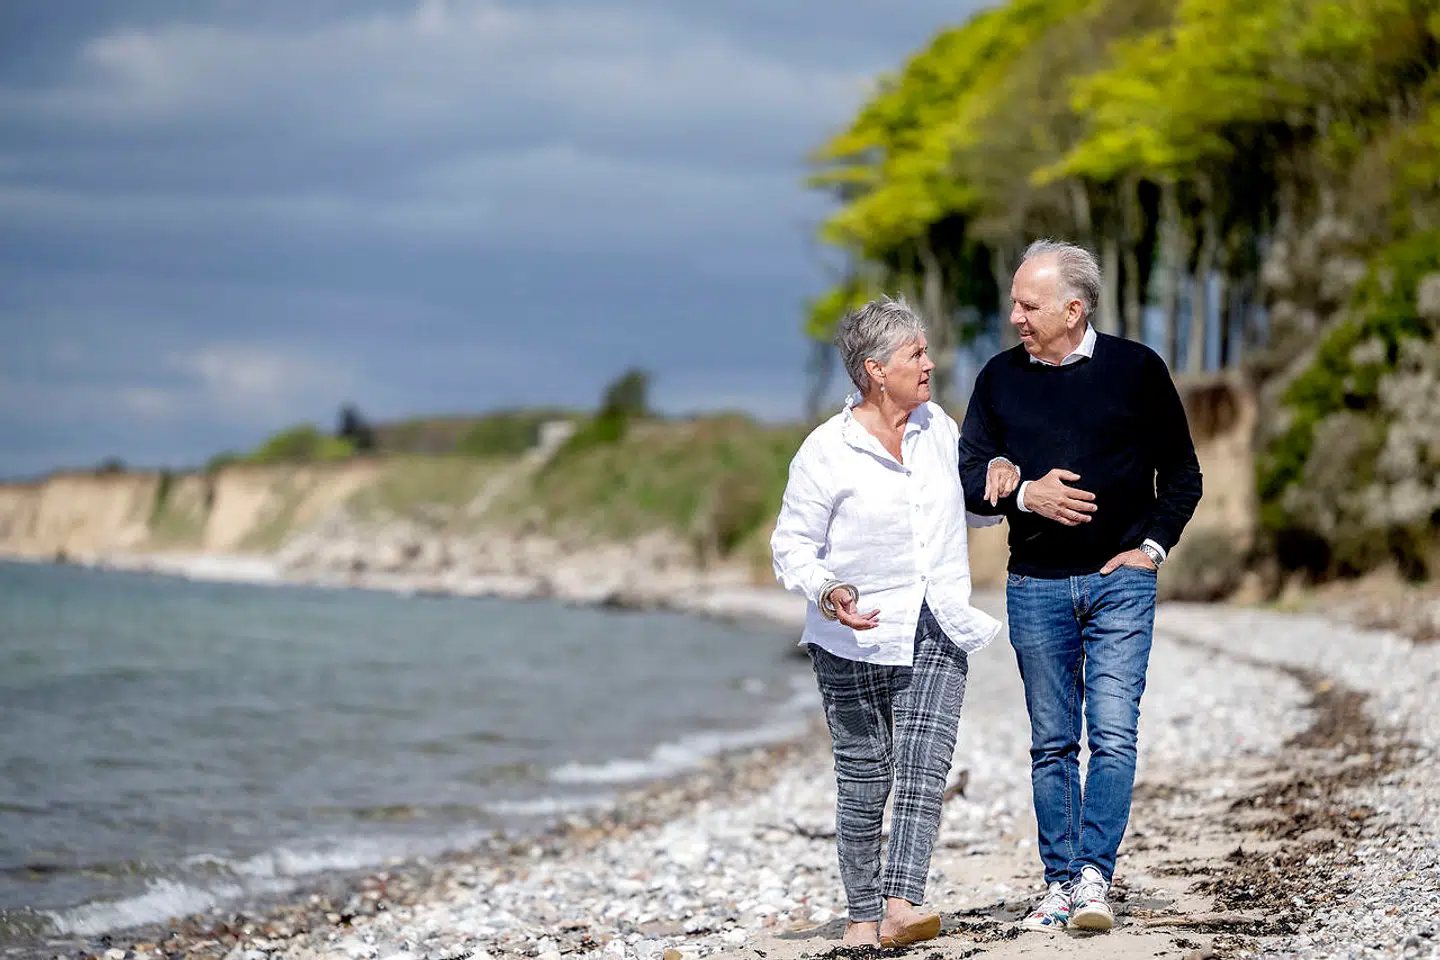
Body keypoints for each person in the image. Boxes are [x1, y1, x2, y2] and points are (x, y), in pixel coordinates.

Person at [958, 240, 1203, 933]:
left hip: (1120, 584)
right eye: (1012, 302)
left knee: (1115, 735)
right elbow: (969, 470)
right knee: (1052, 743)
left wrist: (1150, 549)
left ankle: (1096, 876)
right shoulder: (998, 379)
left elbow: (1183, 478)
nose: (1012, 317)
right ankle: (1059, 883)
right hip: (1034, 584)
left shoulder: (1136, 370)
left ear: (1073, 308)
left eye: (1026, 304)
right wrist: (1024, 494)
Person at [772, 296, 1004, 949]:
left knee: (925, 761)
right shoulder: (825, 451)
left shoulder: (942, 429)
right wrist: (830, 590)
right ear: (876, 369)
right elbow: (791, 546)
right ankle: (861, 911)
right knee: (865, 773)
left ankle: (902, 904)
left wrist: (1003, 483)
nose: (931, 364)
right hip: (853, 633)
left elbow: (977, 511)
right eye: (917, 354)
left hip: (937, 617)